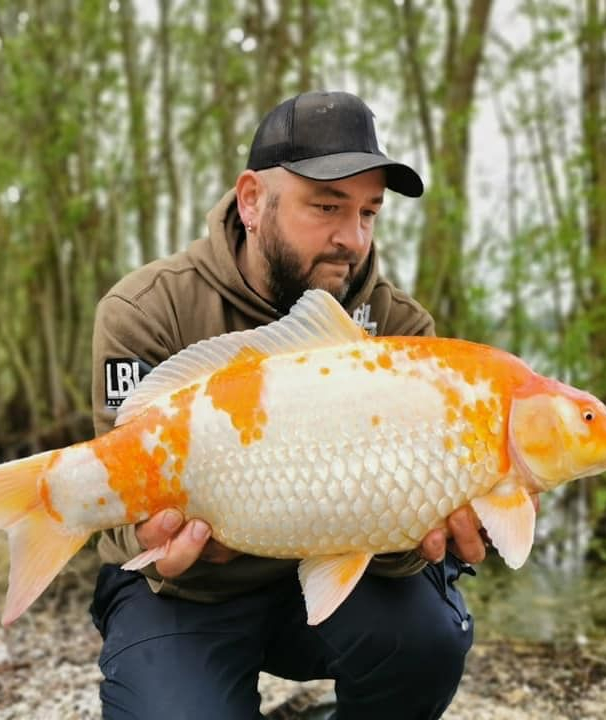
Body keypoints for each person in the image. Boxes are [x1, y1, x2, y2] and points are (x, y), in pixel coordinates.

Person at [89, 90, 489, 720]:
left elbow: (411, 543)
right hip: (187, 593)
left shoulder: (398, 328)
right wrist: (150, 539)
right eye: (326, 206)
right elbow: (113, 500)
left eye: (368, 212)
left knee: (430, 640)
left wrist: (421, 528)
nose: (351, 238)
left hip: (329, 584)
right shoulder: (147, 310)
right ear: (252, 200)